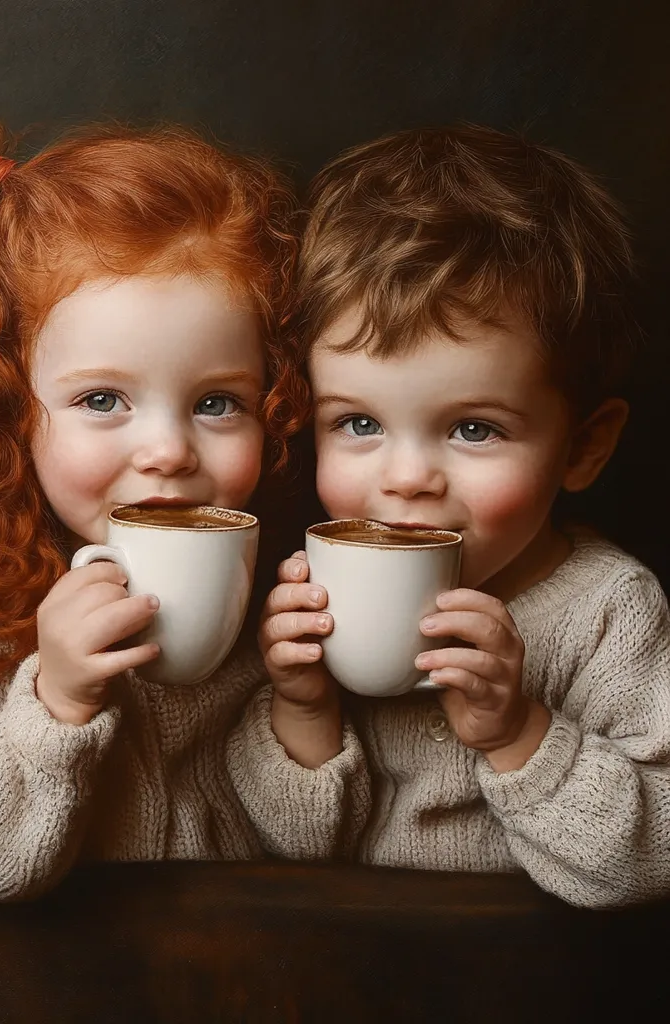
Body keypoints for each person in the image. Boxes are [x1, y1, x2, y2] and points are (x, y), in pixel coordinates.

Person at [230, 125, 670, 907]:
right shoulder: (310, 600)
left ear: (584, 446)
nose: (405, 480)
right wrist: (302, 711)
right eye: (358, 423)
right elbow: (281, 856)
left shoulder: (611, 612)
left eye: (474, 428)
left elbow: (648, 862)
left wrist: (519, 734)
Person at [0, 119, 297, 900]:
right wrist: (57, 700)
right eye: (103, 400)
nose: (168, 450)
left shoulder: (269, 607)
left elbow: (315, 853)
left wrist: (305, 705)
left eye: (217, 402)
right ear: (9, 408)